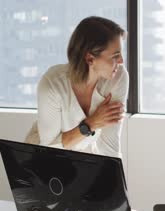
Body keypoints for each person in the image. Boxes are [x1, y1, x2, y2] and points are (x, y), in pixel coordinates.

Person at [25, 16, 127, 158]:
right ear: (90, 59)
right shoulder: (52, 84)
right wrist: (90, 124)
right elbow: (49, 149)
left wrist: (117, 179)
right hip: (42, 158)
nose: (121, 61)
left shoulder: (118, 77)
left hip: (82, 157)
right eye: (115, 55)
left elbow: (110, 147)